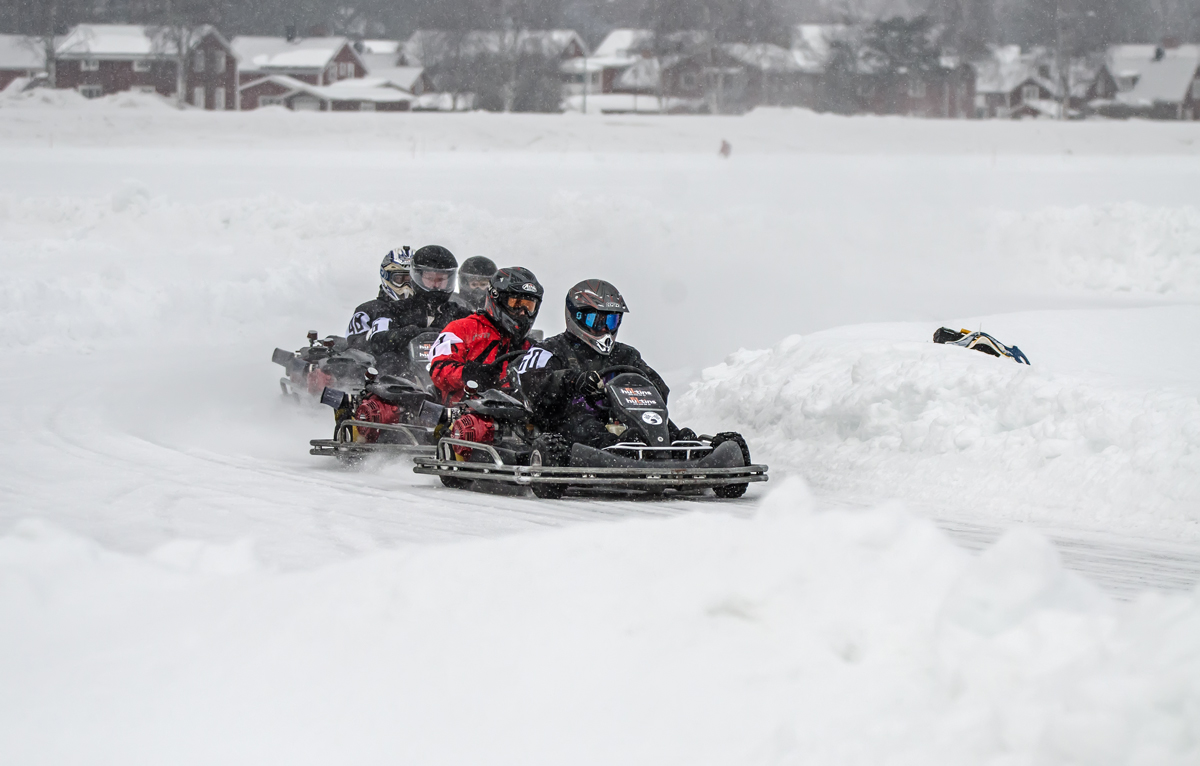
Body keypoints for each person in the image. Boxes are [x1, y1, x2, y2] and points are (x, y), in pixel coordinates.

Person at [515, 279, 694, 449]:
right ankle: (616, 450)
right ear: (576, 316)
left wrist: (640, 389)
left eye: (610, 321)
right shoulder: (549, 349)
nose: (604, 329)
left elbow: (658, 391)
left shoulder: (626, 355)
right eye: (596, 320)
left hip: (619, 421)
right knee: (582, 422)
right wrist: (572, 381)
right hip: (565, 424)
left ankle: (682, 445)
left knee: (654, 420)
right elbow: (532, 385)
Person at [429, 267, 544, 403]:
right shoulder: (462, 329)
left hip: (514, 416)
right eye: (516, 304)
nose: (523, 313)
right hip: (463, 413)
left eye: (529, 306)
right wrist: (470, 374)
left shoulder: (529, 347)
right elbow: (439, 370)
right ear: (497, 298)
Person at [346, 245, 472, 369]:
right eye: (429, 278)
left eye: (441, 279)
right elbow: (376, 340)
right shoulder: (391, 310)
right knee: (390, 360)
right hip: (404, 381)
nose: (435, 285)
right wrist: (410, 333)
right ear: (417, 277)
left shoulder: (461, 314)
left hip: (453, 380)